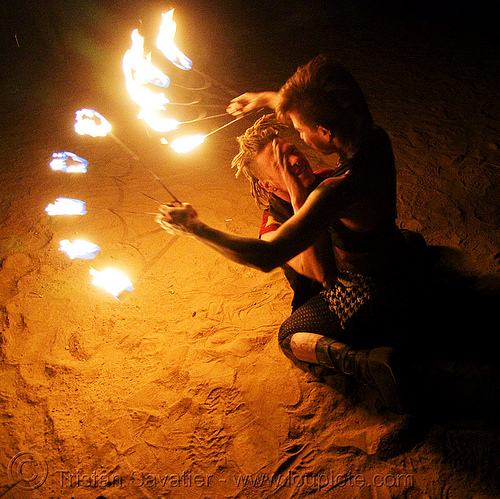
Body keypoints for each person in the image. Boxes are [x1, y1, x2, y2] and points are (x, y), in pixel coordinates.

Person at [157, 55, 426, 413]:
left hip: (371, 289)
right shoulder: (375, 140)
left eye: (298, 135)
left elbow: (274, 260)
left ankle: (370, 364)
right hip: (394, 254)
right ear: (268, 182)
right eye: (281, 163)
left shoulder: (332, 190)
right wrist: (268, 99)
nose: (297, 144)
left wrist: (196, 228)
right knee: (410, 240)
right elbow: (272, 244)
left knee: (290, 336)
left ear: (324, 133)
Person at [231, 113, 337, 311]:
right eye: (281, 164)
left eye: (293, 150)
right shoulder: (272, 229)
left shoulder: (327, 178)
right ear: (267, 185)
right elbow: (321, 272)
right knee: (290, 337)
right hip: (321, 300)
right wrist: (299, 201)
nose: (296, 160)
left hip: (366, 276)